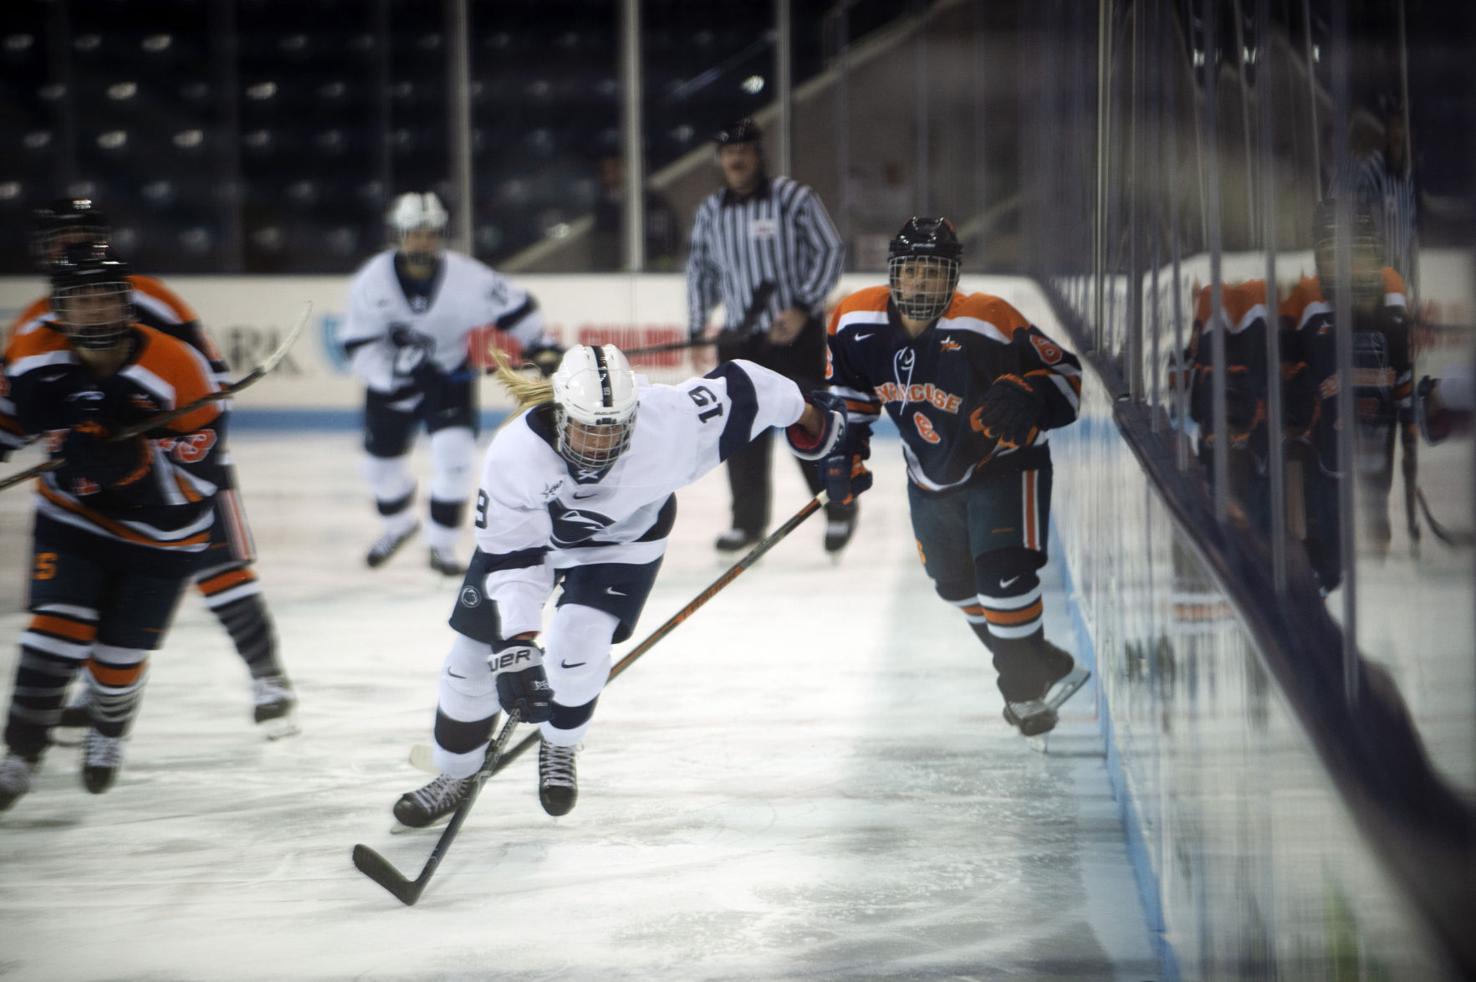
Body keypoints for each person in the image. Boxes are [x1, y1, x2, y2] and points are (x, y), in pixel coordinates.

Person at [390, 343, 842, 826]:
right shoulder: (517, 453)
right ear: (561, 413)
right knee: (470, 663)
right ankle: (455, 774)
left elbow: (757, 387)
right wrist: (517, 643)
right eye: (587, 428)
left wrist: (826, 432)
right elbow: (513, 557)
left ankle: (560, 746)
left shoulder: (671, 423)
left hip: (624, 543)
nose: (599, 444)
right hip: (529, 548)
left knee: (578, 648)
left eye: (613, 429)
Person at [3, 198, 296, 734]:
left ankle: (268, 677)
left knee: (220, 565)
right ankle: (96, 690)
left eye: (82, 235)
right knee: (93, 583)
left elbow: (210, 383)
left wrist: (154, 441)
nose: (71, 246)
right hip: (94, 477)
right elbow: (16, 402)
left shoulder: (148, 296)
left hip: (183, 463)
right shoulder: (35, 322)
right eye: (60, 239)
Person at [819, 217, 1089, 736]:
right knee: (955, 584)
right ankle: (1040, 661)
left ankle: (1024, 693)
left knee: (1003, 576)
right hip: (929, 474)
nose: (920, 282)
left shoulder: (987, 320)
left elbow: (1067, 377)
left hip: (1005, 462)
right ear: (893, 273)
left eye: (933, 271)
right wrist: (842, 456)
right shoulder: (854, 320)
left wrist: (1032, 393)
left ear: (953, 276)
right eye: (911, 270)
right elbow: (848, 399)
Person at [0, 251, 231, 810]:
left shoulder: (177, 367)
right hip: (73, 517)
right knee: (53, 632)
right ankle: (20, 754)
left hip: (165, 534)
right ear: (60, 309)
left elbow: (200, 481)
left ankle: (110, 727)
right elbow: (7, 420)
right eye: (82, 299)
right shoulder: (35, 356)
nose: (96, 309)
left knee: (116, 659)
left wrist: (130, 464)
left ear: (127, 304)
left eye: (106, 296)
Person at [339, 191, 562, 576]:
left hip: (448, 380)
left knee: (455, 461)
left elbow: (517, 308)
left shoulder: (468, 277)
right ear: (398, 234)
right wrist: (394, 376)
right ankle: (399, 525)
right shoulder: (372, 281)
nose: (422, 242)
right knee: (380, 468)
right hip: (390, 386)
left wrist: (540, 345)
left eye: (430, 233)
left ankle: (441, 546)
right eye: (414, 233)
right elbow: (358, 344)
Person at [684, 117, 853, 555]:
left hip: (793, 336)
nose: (736, 159)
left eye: (743, 151)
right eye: (728, 153)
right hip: (740, 339)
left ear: (759, 154)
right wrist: (697, 327)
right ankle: (747, 523)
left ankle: (837, 506)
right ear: (721, 160)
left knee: (808, 420)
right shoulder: (710, 211)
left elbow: (830, 249)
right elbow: (700, 271)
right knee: (739, 432)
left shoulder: (794, 198)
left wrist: (803, 307)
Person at [1282, 198, 1416, 562]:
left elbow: (1400, 373)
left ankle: (1374, 527)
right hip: (1325, 440)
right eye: (1334, 253)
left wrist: (1409, 421)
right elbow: (1287, 378)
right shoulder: (1305, 297)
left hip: (1373, 427)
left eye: (1356, 251)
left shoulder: (1391, 291)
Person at [588, 153, 681, 272]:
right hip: (619, 274)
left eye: (614, 169)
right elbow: (602, 245)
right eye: (606, 172)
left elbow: (670, 236)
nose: (610, 176)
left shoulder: (653, 201)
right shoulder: (603, 207)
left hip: (656, 272)